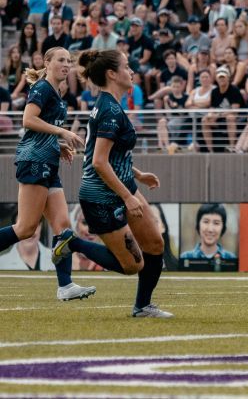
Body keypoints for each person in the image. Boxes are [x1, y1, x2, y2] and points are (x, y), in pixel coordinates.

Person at [54, 49, 172, 318]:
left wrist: (138, 176)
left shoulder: (113, 106)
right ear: (112, 74)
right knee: (132, 265)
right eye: (127, 67)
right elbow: (98, 161)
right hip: (101, 198)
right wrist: (128, 197)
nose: (132, 71)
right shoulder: (109, 110)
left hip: (123, 185)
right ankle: (72, 243)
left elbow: (114, 156)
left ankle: (143, 307)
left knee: (155, 244)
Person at [0, 47, 94, 301]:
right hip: (33, 161)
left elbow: (41, 130)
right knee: (25, 228)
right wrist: (62, 133)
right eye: (61, 60)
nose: (67, 65)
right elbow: (28, 120)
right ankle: (65, 284)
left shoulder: (57, 92)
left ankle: (65, 286)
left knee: (63, 227)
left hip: (48, 162)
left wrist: (58, 145)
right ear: (48, 62)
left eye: (69, 61)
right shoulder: (42, 88)